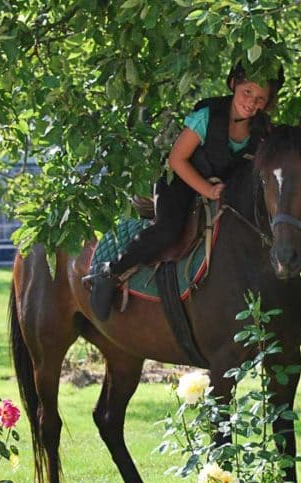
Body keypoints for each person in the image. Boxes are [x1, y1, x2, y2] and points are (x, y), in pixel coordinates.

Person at [90, 62, 284, 320]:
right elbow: (177, 160)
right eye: (247, 92)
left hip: (221, 191)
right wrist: (208, 190)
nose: (251, 103)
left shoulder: (264, 132)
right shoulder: (207, 116)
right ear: (233, 84)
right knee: (168, 229)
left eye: (260, 99)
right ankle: (111, 272)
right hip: (179, 181)